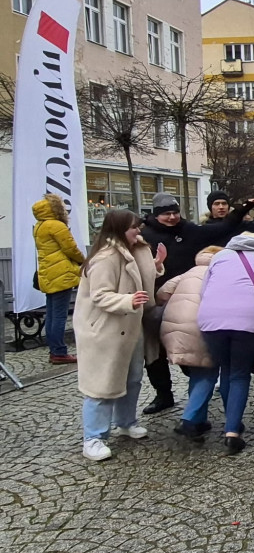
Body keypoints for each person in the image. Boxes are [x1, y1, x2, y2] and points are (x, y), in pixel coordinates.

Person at [139, 192, 254, 415]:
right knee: (154, 353)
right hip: (157, 297)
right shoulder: (146, 236)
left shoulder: (189, 230)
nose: (173, 217)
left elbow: (221, 229)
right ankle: (163, 394)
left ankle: (198, 385)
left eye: (175, 212)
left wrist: (241, 209)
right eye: (167, 214)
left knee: (189, 346)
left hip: (188, 298)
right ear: (156, 216)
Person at [74, 210, 163, 461]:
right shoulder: (105, 257)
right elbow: (100, 295)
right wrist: (128, 300)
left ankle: (126, 422)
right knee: (101, 385)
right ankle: (93, 438)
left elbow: (137, 280)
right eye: (135, 227)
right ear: (120, 229)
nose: (139, 231)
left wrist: (154, 267)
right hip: (104, 331)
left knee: (132, 379)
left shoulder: (131, 250)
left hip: (129, 329)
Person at [196, 232, 254, 453]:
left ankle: (232, 417)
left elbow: (204, 291)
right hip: (248, 319)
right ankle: (232, 431)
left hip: (211, 318)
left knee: (226, 369)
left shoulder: (219, 257)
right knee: (240, 373)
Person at [159, 246, 223, 441]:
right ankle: (189, 419)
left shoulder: (186, 274)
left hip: (175, 328)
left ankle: (199, 420)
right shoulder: (219, 274)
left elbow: (162, 293)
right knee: (208, 372)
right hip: (202, 327)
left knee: (197, 372)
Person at [32, 193, 86, 364]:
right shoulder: (57, 226)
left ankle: (54, 350)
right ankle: (59, 352)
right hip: (62, 273)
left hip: (48, 273)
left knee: (51, 314)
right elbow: (71, 248)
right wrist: (83, 261)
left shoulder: (39, 226)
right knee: (60, 315)